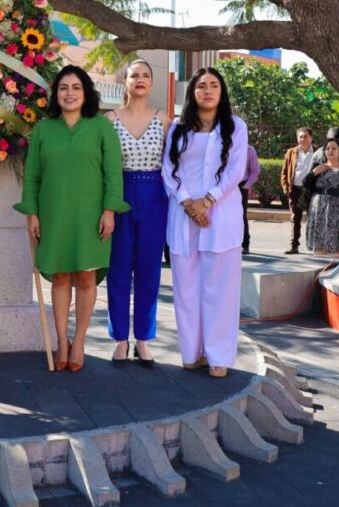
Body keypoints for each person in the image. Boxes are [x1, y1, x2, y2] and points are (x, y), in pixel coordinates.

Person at [16, 65, 128, 372]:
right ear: (56, 93)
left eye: (76, 87)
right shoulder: (44, 129)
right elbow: (32, 175)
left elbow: (113, 173)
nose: (69, 93)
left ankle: (79, 341)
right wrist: (32, 213)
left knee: (86, 276)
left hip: (91, 214)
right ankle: (61, 340)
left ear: (86, 92)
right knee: (61, 275)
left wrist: (109, 210)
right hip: (53, 213)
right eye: (63, 87)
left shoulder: (101, 127)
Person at [161, 67, 248, 378]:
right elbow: (168, 168)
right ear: (192, 92)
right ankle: (190, 353)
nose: (208, 90)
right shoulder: (178, 128)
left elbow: (235, 171)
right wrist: (188, 202)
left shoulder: (235, 127)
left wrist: (207, 201)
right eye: (201, 86)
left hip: (220, 215)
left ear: (221, 91)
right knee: (186, 287)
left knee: (220, 289)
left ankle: (218, 357)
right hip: (184, 215)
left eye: (213, 85)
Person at [104, 60, 169, 368]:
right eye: (134, 75)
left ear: (152, 83)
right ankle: (120, 339)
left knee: (148, 270)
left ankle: (143, 338)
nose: (140, 80)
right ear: (125, 82)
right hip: (121, 193)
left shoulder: (163, 119)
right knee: (118, 269)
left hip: (155, 196)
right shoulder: (109, 119)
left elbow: (173, 166)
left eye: (145, 75)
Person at [280, 127, 315, 254]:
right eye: (300, 137)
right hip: (295, 190)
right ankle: (294, 246)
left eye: (305, 136)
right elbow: (284, 172)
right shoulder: (291, 152)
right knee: (295, 219)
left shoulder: (317, 153)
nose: (303, 139)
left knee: (314, 218)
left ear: (311, 138)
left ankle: (315, 246)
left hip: (311, 191)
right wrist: (286, 189)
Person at [240, 144, 260, 254]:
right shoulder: (225, 146)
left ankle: (245, 244)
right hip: (226, 185)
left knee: (241, 215)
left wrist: (246, 186)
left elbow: (255, 170)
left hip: (241, 186)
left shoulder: (249, 150)